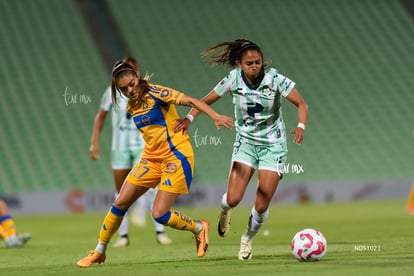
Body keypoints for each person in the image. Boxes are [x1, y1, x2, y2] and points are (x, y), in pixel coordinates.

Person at [76, 60, 234, 268]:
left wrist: (213, 116)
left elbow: (192, 100)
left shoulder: (157, 92)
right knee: (119, 203)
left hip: (176, 156)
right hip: (150, 159)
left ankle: (198, 228)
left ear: (137, 76)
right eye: (124, 89)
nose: (130, 90)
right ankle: (99, 251)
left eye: (132, 83)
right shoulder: (132, 106)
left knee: (159, 214)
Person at [178, 39, 308, 260]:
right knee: (234, 198)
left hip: (273, 146)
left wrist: (300, 126)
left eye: (258, 62)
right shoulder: (233, 79)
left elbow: (302, 104)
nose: (255, 66)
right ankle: (225, 211)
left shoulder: (274, 78)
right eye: (250, 63)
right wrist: (189, 118)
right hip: (245, 144)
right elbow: (205, 100)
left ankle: (247, 239)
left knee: (262, 201)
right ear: (239, 64)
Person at [90, 57, 172, 247]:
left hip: (142, 145)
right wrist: (94, 143)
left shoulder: (148, 91)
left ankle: (160, 232)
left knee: (152, 187)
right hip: (119, 148)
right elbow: (100, 117)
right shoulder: (111, 95)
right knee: (121, 193)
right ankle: (123, 236)